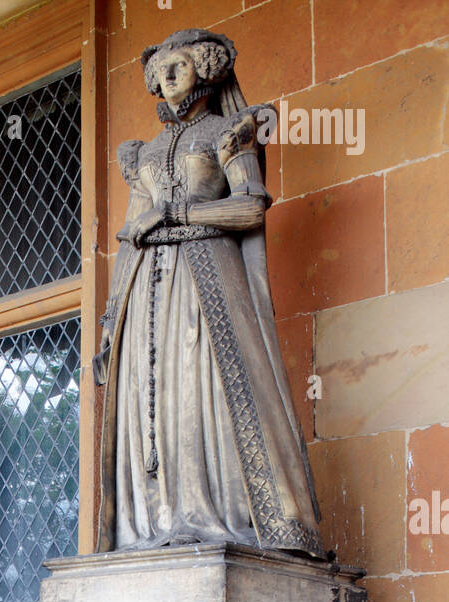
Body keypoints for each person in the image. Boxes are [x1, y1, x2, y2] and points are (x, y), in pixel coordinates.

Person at [95, 29, 324, 558]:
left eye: (179, 65)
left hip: (207, 282)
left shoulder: (228, 131)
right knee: (153, 399)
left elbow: (249, 207)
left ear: (206, 68)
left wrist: (179, 214)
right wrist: (111, 321)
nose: (167, 77)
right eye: (160, 71)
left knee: (207, 393)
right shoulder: (144, 152)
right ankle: (162, 521)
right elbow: (131, 234)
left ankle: (218, 518)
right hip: (148, 288)